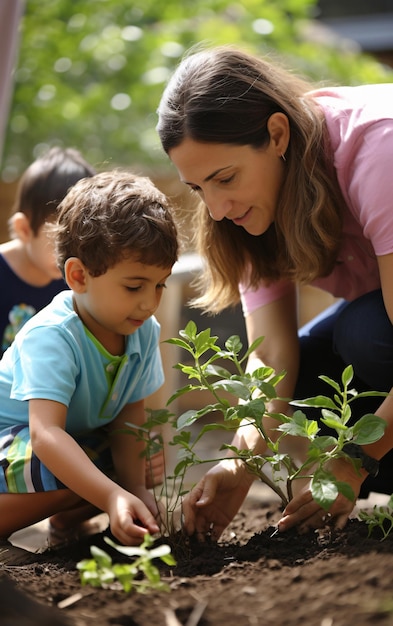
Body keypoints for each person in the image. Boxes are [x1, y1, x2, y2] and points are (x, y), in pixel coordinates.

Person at [156, 44, 393, 540]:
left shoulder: (378, 150)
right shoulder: (246, 216)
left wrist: (353, 461)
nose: (217, 208)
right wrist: (240, 465)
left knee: (368, 337)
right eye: (199, 188)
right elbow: (272, 353)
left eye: (225, 178)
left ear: (277, 133)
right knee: (305, 380)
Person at [0, 170, 178, 547]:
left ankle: (65, 523)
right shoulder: (52, 334)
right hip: (12, 441)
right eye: (134, 286)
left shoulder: (141, 330)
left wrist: (135, 491)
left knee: (141, 460)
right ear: (79, 276)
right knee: (64, 466)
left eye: (159, 284)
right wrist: (112, 496)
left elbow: (131, 418)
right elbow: (46, 435)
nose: (149, 302)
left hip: (56, 443)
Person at [0, 146, 96, 355]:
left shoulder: (76, 279)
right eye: (60, 238)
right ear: (24, 229)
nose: (74, 251)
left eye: (82, 237)